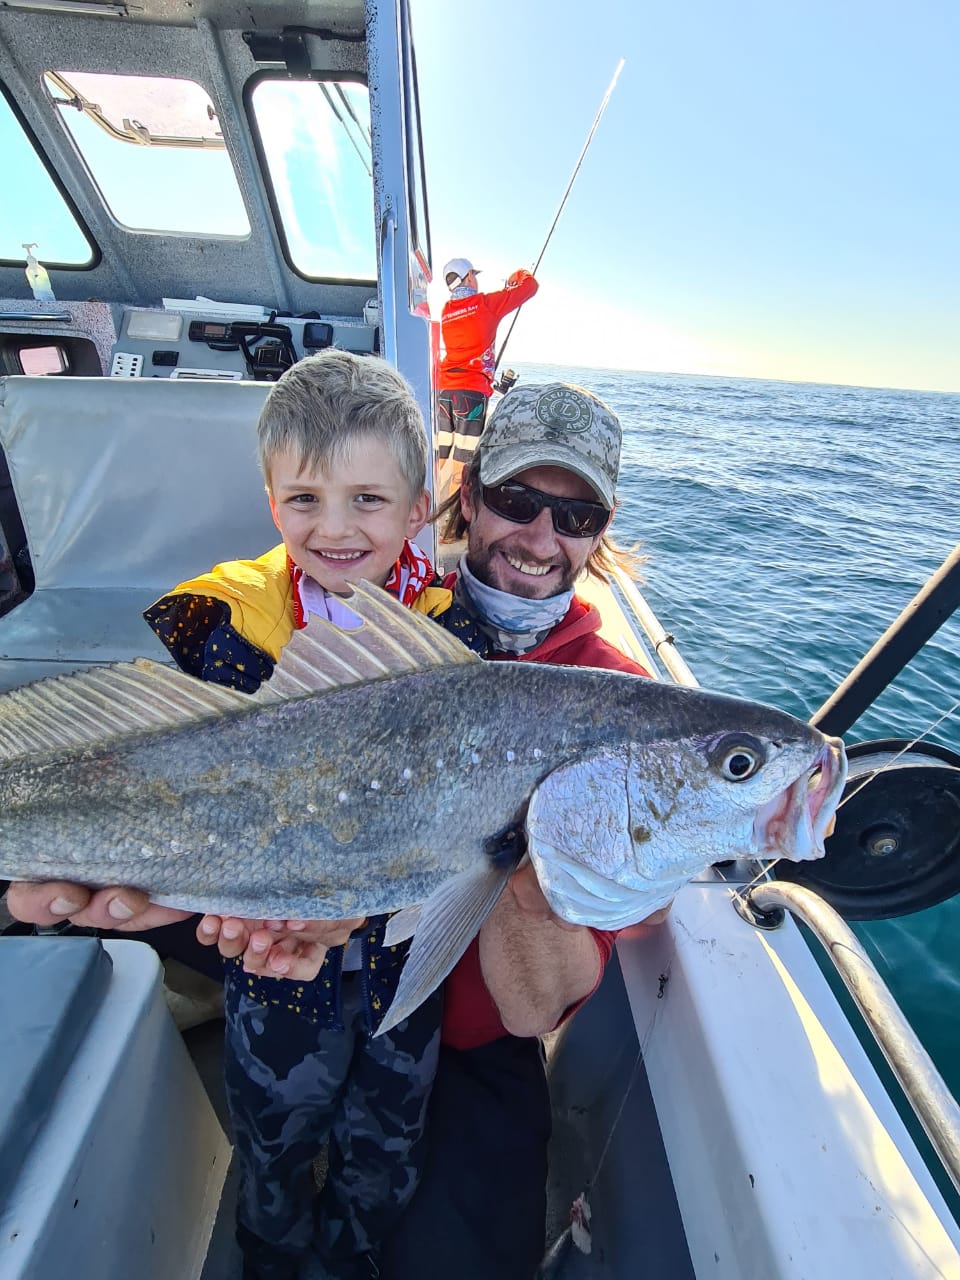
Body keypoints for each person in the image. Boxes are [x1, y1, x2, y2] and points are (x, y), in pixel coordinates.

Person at [6, 379, 667, 1279]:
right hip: (279, 949)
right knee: (272, 1135)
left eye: (578, 515)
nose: (543, 539)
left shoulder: (612, 684)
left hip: (422, 1010)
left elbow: (533, 1000)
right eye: (517, 501)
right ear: (463, 500)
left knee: (397, 1180)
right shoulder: (383, 615)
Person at [7, 348, 447, 1280]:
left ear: (418, 509)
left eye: (368, 500)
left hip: (406, 973)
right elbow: (179, 775)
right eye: (304, 500)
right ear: (270, 500)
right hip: (271, 974)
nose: (335, 528)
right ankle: (273, 1255)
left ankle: (359, 1253)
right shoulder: (231, 636)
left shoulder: (463, 646)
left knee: (387, 1145)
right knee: (274, 1142)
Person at [435, 256, 538, 505]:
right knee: (463, 462)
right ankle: (448, 522)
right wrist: (517, 275)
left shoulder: (447, 311)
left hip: (444, 391)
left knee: (441, 457)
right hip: (471, 394)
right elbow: (530, 286)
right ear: (469, 276)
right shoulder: (485, 305)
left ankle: (432, 507)